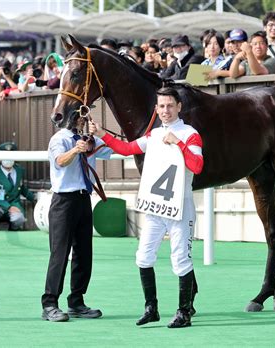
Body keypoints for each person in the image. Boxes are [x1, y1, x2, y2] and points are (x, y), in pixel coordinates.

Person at [93, 87, 204, 329]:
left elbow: (197, 166)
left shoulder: (190, 134)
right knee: (143, 258)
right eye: (161, 106)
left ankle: (184, 312)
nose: (165, 110)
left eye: (170, 106)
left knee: (181, 260)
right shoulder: (153, 135)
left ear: (179, 107)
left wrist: (179, 144)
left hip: (180, 208)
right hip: (155, 208)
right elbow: (127, 148)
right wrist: (101, 133)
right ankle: (151, 308)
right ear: (156, 109)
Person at [41, 113, 113, 322]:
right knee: (60, 254)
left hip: (84, 199)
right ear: (72, 120)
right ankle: (49, 304)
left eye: (87, 117)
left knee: (84, 253)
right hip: (63, 201)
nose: (86, 120)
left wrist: (100, 133)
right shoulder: (59, 139)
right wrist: (75, 150)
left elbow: (115, 149)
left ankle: (77, 301)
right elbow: (60, 161)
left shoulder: (91, 139)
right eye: (82, 117)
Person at [0, 142, 35, 231]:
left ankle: (13, 229)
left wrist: (34, 197)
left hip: (15, 204)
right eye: (5, 155)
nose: (8, 158)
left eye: (11, 155)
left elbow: (22, 188)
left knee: (19, 219)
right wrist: (8, 207)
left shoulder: (19, 171)